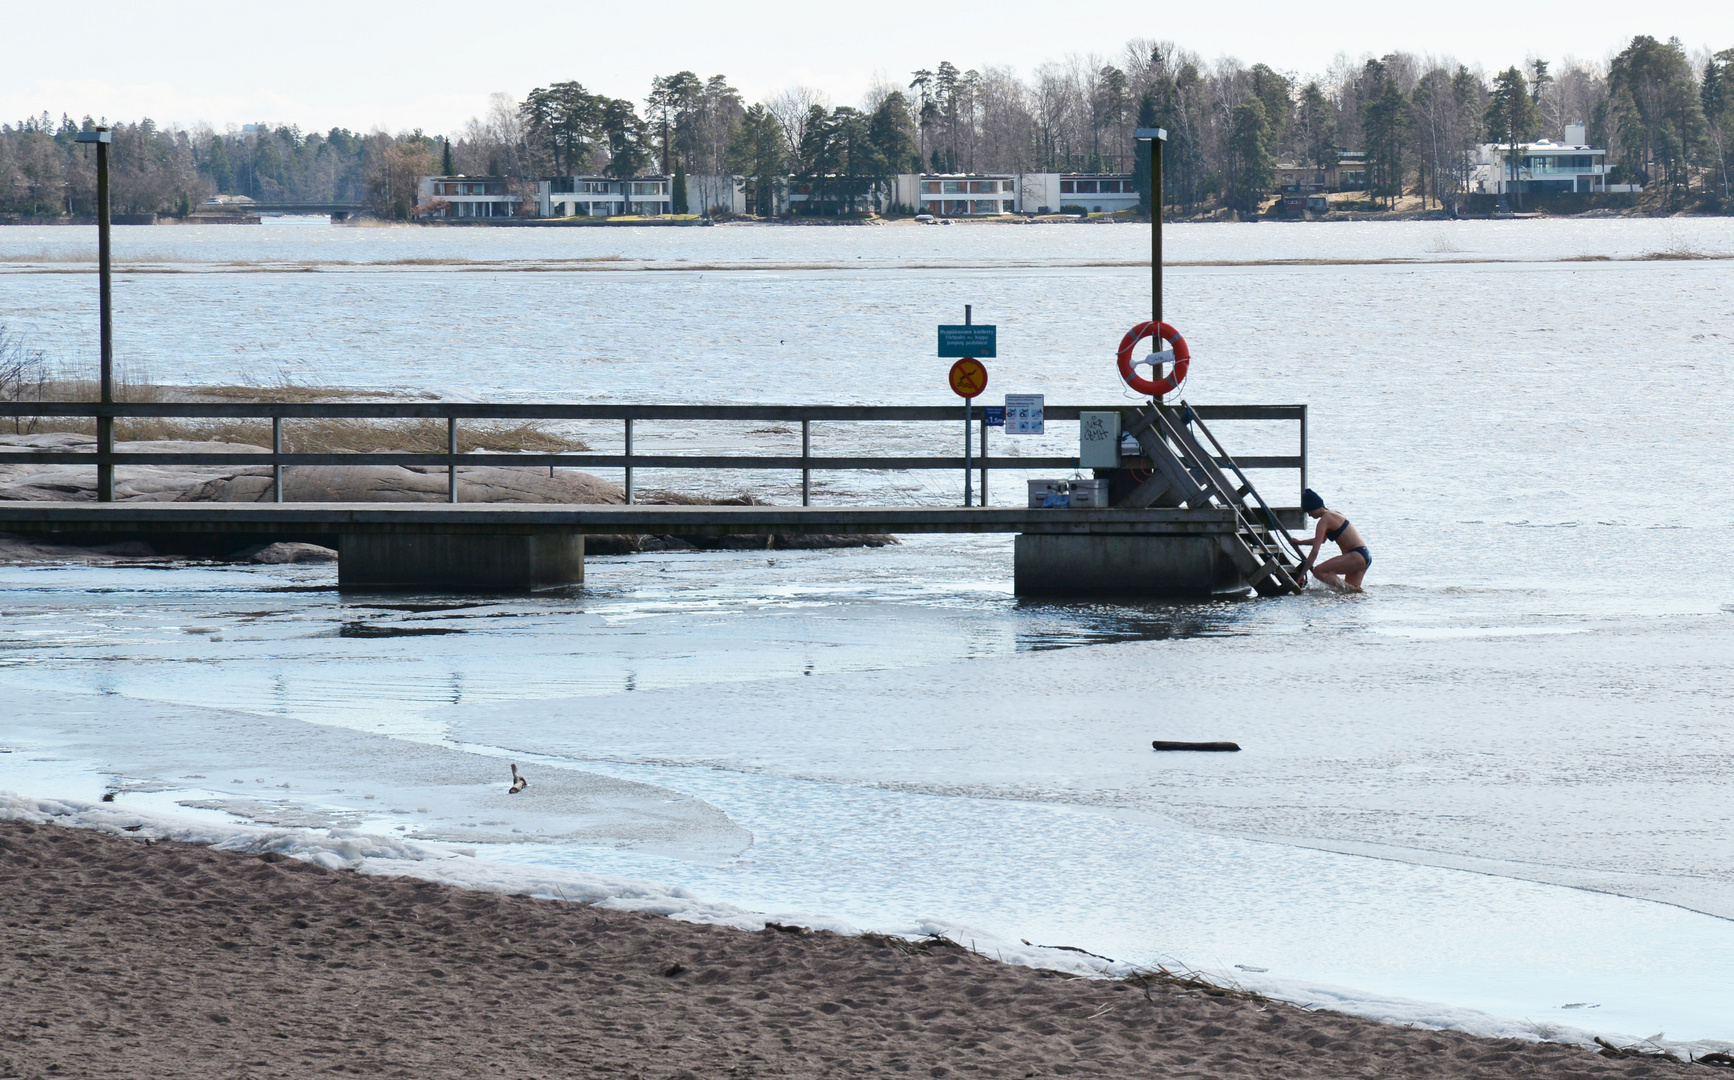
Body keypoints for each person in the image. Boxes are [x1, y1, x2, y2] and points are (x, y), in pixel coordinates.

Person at [1290, 488, 1371, 591]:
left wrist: (1302, 574)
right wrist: (1300, 542)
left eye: (1309, 511)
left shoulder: (1324, 521)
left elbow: (1315, 551)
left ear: (1314, 507)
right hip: (1364, 556)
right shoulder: (1334, 513)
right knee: (1351, 596)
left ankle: (1351, 588)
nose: (1309, 515)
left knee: (1318, 571)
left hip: (1355, 556)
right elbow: (1321, 540)